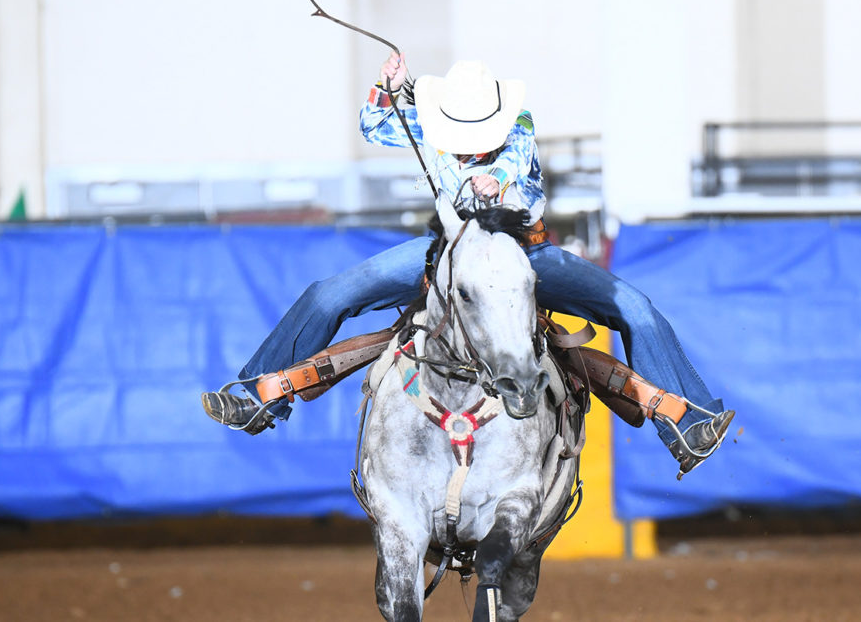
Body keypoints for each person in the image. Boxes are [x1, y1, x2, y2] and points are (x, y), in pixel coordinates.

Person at [203, 52, 734, 477]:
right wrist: (387, 88)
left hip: (523, 252)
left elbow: (516, 174)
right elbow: (374, 125)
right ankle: (256, 396)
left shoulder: (517, 127)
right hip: (448, 256)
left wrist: (495, 185)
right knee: (328, 295)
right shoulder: (427, 122)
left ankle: (690, 423)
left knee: (635, 308)